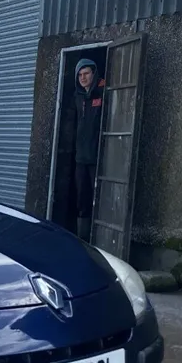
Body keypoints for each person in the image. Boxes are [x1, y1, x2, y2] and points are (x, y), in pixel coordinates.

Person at [72, 57, 105, 241]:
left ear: (94, 74)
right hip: (81, 158)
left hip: (98, 157)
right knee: (81, 198)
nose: (83, 78)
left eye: (86, 73)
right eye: (80, 75)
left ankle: (99, 238)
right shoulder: (78, 98)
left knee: (98, 198)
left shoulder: (102, 93)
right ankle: (82, 238)